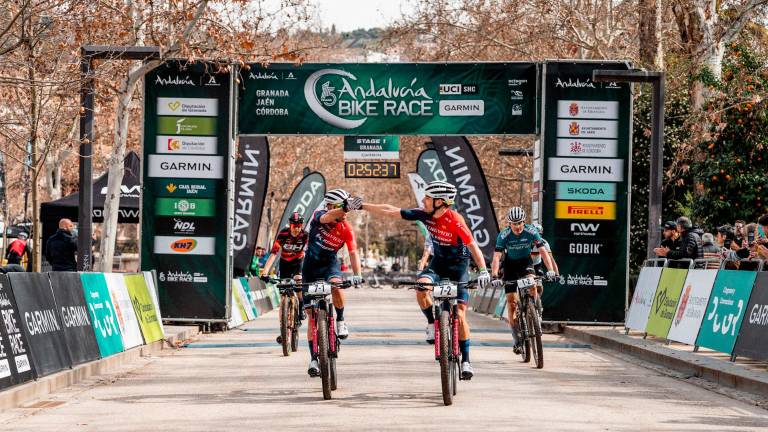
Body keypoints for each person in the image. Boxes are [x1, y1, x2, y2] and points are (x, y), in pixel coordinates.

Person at [361, 181, 491, 379]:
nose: (423, 200)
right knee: (421, 288)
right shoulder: (424, 214)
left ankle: (466, 360)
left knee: (462, 316)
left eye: (427, 198)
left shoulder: (456, 220)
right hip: (438, 264)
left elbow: (473, 247)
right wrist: (362, 205)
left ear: (439, 202)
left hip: (458, 268)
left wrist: (483, 271)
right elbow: (391, 211)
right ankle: (432, 322)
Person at [304, 189, 363, 377]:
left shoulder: (346, 228)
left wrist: (357, 274)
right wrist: (344, 207)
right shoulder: (319, 215)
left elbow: (353, 253)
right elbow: (328, 216)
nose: (345, 213)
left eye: (346, 209)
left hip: (330, 265)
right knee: (311, 317)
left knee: (337, 286)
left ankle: (341, 319)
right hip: (310, 267)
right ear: (330, 205)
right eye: (341, 207)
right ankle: (314, 357)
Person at [490, 207, 557, 354]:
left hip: (525, 263)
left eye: (520, 223)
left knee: (532, 284)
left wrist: (551, 270)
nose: (518, 226)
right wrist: (495, 276)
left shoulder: (531, 231)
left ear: (524, 221)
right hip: (510, 266)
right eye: (514, 223)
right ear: (509, 224)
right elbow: (496, 257)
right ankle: (517, 340)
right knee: (511, 304)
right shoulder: (504, 235)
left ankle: (534, 312)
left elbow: (543, 252)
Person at [261, 212, 308, 280]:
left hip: (298, 261)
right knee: (284, 286)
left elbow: (311, 252)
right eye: (294, 226)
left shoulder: (305, 235)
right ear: (290, 225)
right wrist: (265, 272)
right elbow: (274, 253)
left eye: (299, 226)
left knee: (298, 279)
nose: (297, 229)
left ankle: (298, 289)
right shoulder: (283, 234)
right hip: (285, 262)